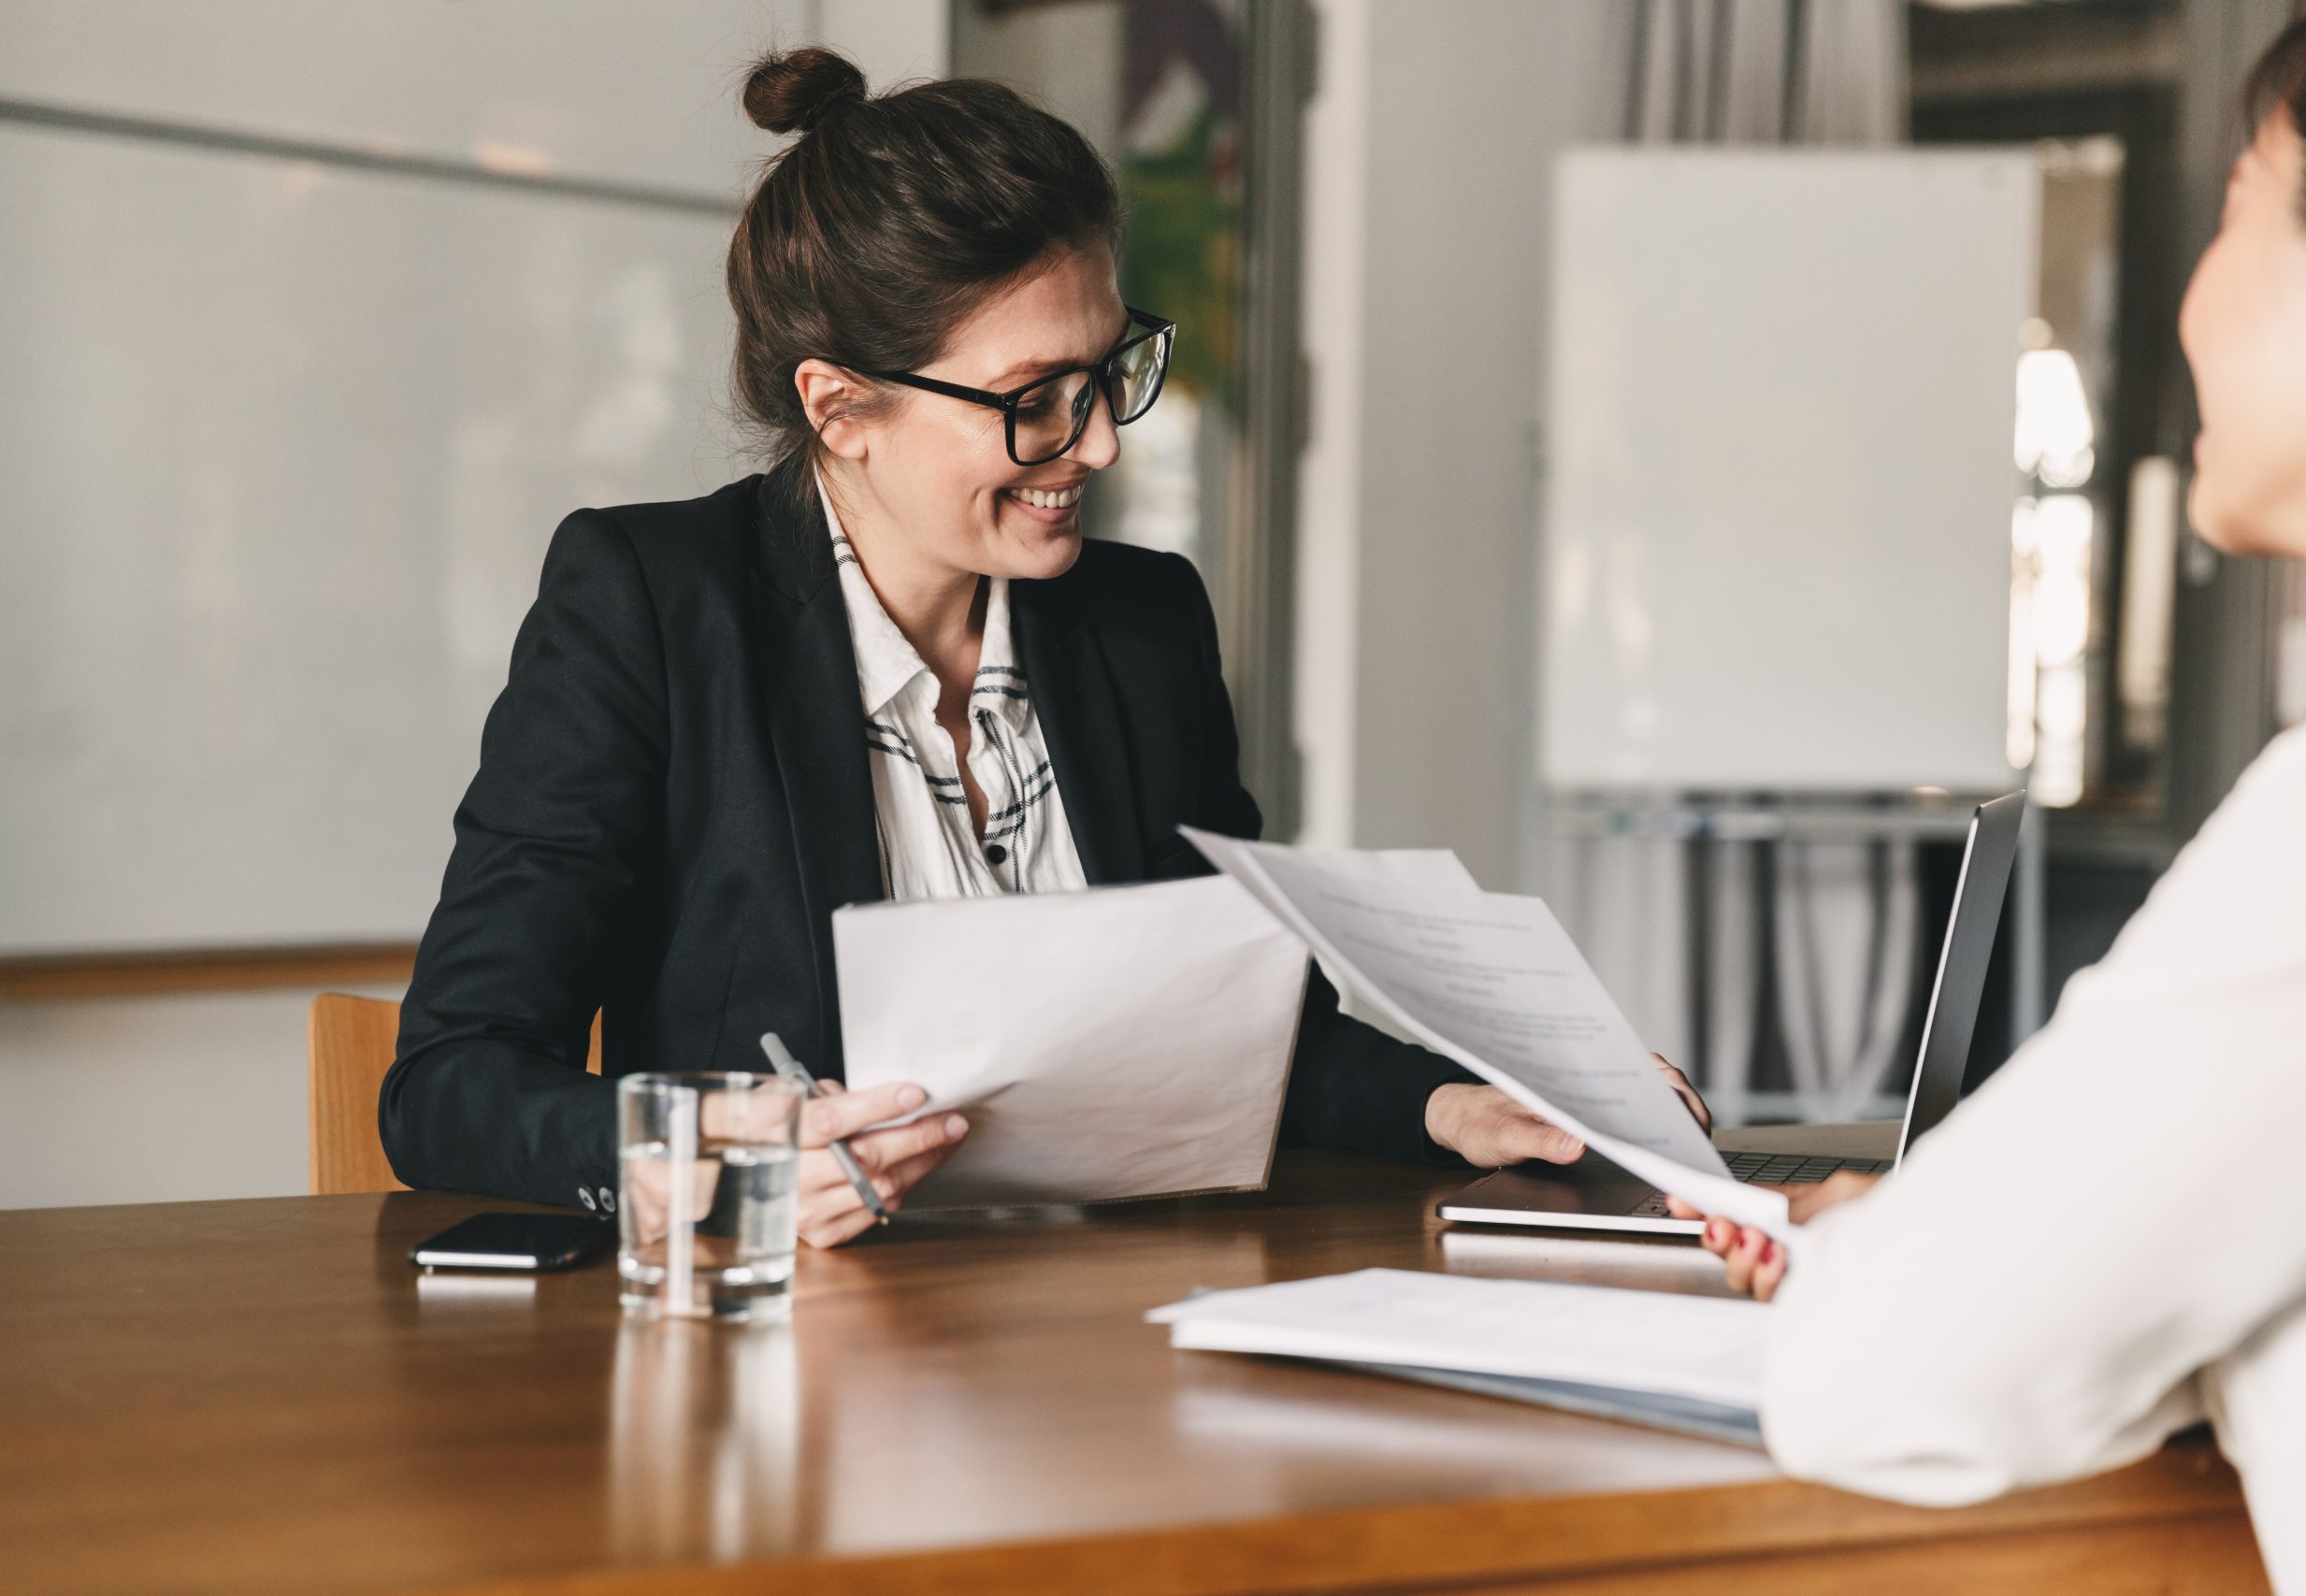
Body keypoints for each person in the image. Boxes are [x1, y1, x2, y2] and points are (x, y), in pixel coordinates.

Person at [381, 49, 1689, 1248]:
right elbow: (453, 1080)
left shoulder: (1142, 623)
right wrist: (702, 1157)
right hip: (808, 1366)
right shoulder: (653, 610)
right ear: (841, 408)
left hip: (1121, 1337)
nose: (1101, 444)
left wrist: (1459, 1102)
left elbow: (1237, 1031)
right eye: (1034, 404)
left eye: (1108, 373)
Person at [1665, 4, 2306, 1588]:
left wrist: (1935, 1256)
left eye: (2229, 212)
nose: (2192, 302)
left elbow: (1872, 1383)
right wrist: (2000, 1219)